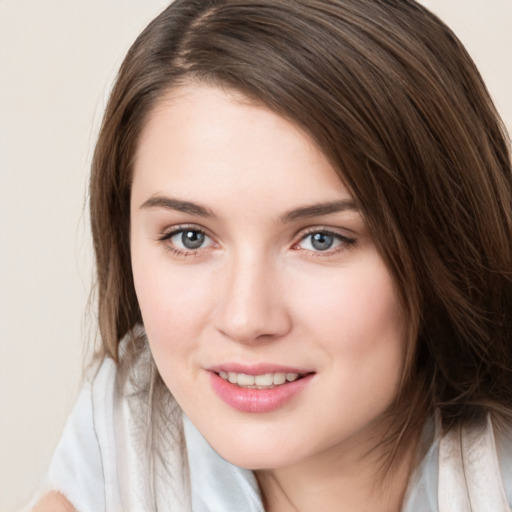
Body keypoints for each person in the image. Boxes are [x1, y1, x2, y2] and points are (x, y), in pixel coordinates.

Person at [30, 0, 512, 511]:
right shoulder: (120, 432)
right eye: (189, 236)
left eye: (321, 239)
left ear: (446, 245)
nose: (245, 319)